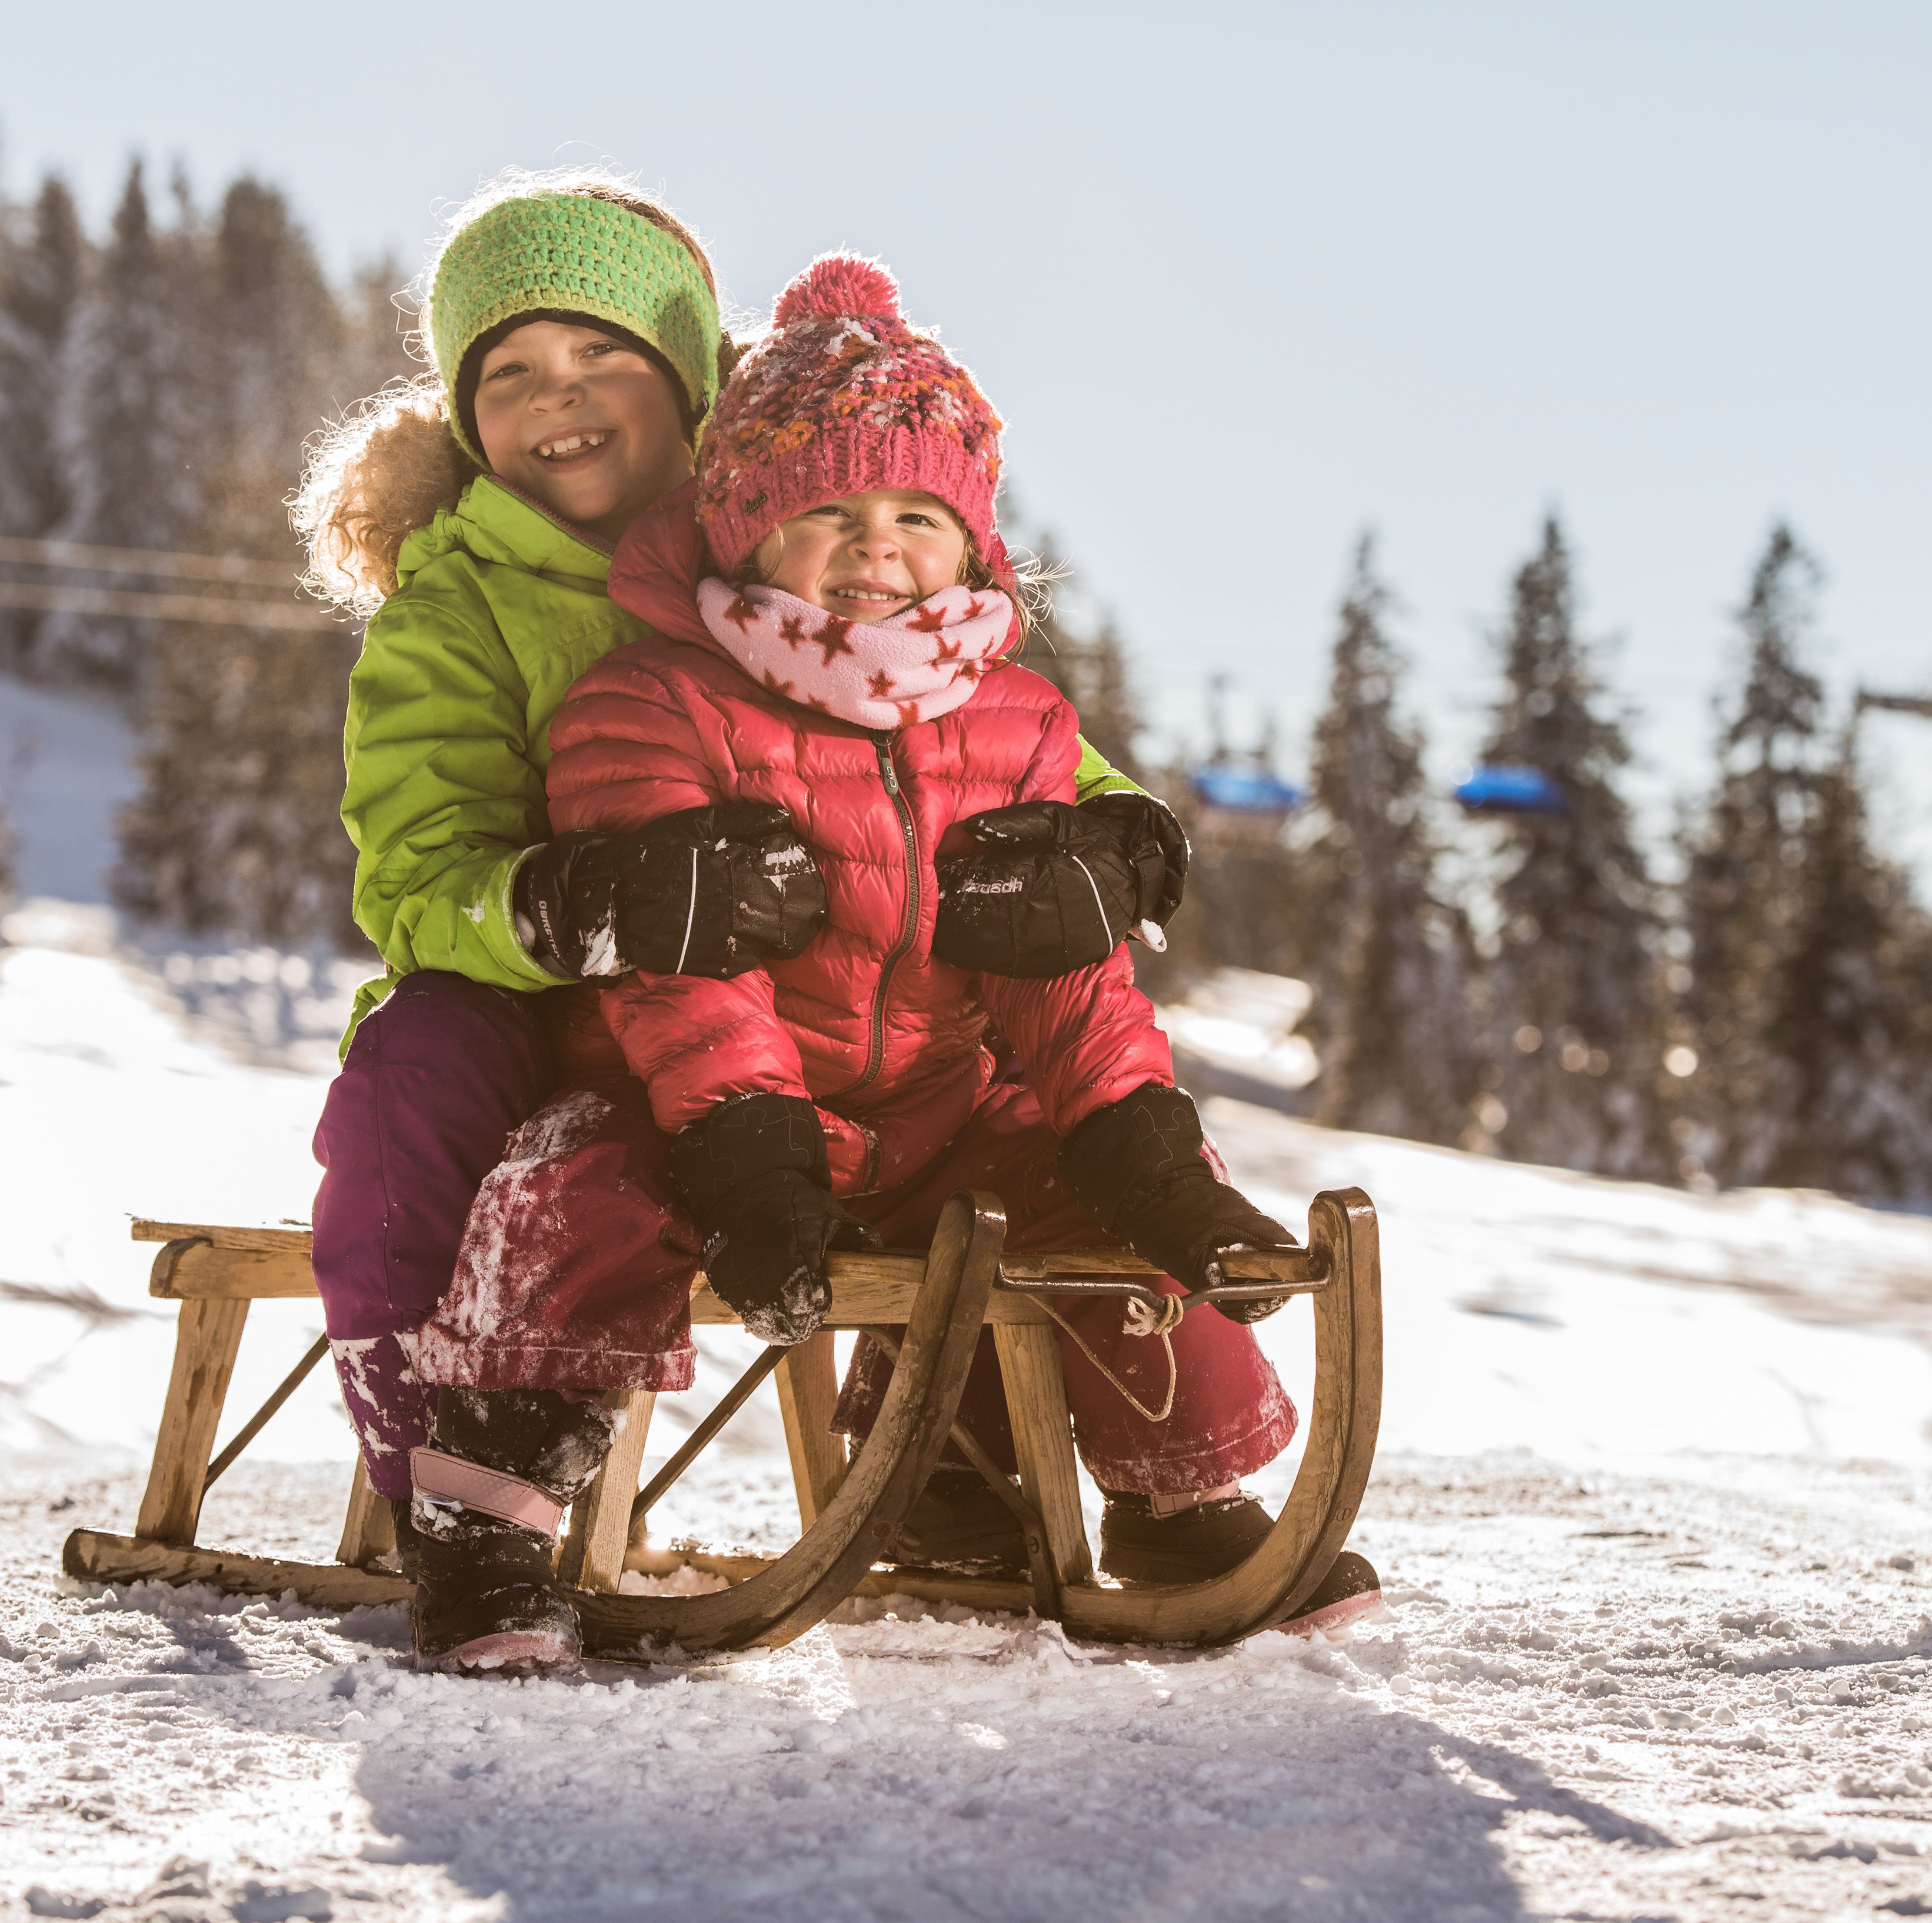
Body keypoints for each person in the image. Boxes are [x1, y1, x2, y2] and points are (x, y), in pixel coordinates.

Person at [391, 254, 1378, 1670]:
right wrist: (748, 1146)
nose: (874, 549)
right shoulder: (652, 702)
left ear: (971, 544)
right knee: (572, 1189)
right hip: (699, 1114)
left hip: (927, 1110)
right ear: (741, 533)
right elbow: (683, 980)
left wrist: (1141, 1149)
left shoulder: (1018, 725)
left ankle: (1176, 1501)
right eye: (825, 513)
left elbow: (1064, 983)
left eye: (916, 513)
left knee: (1066, 1176)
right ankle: (485, 1520)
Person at [294, 176, 1188, 1525]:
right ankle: (450, 1482)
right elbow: (419, 881)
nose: (560, 395)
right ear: (468, 417)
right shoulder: (452, 610)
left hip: (791, 1000)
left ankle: (957, 1453)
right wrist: (577, 907)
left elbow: (965, 717)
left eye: (602, 355)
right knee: (404, 1079)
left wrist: (1107, 834)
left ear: (690, 380)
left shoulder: (803, 536)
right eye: (513, 371)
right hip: (542, 1001)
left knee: (1005, 1051)